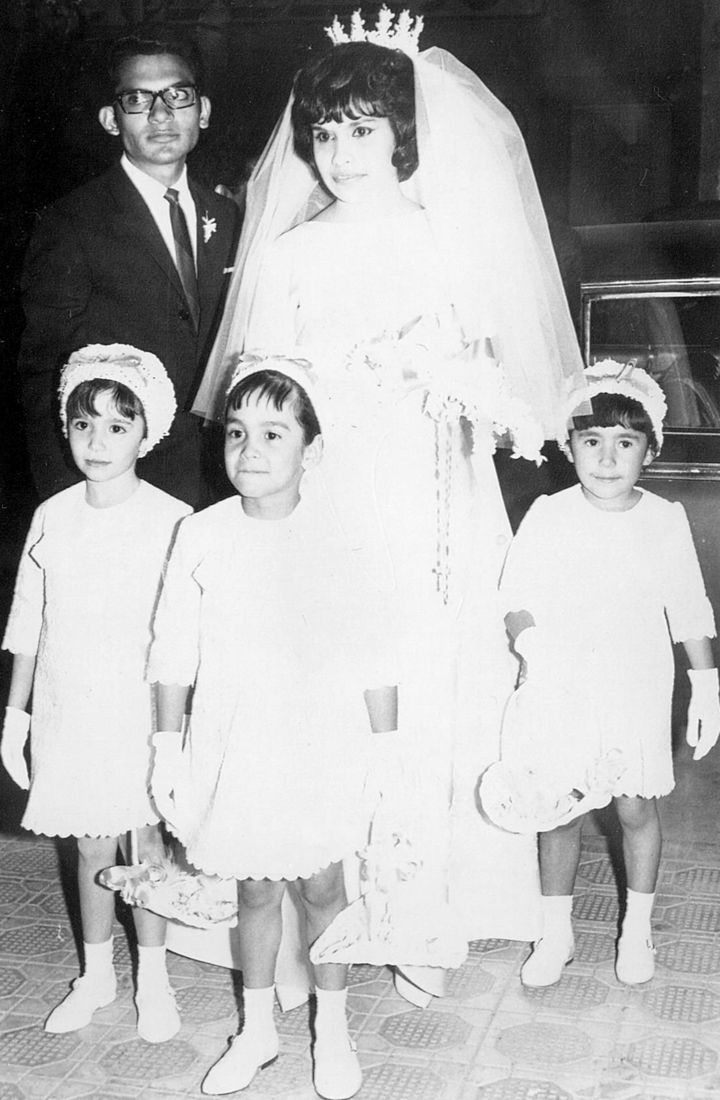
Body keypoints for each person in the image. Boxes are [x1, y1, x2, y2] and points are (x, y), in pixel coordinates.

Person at [189, 8, 589, 1003]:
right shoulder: (288, 252)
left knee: (427, 689)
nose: (339, 150)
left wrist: (448, 374)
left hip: (430, 499)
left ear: (406, 135)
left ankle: (419, 913)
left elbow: (500, 385)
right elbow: (263, 393)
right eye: (324, 130)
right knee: (322, 693)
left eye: (363, 127)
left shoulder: (441, 240)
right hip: (328, 501)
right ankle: (313, 910)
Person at [147, 357, 398, 1098]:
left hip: (319, 741)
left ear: (310, 451)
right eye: (236, 432)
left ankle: (332, 1027)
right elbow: (172, 652)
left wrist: (384, 750)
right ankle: (257, 1030)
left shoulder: (341, 535)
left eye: (273, 432)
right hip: (238, 742)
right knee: (255, 889)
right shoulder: (201, 534)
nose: (250, 450)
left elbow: (373, 653)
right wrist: (167, 748)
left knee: (323, 887)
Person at [499, 360, 720, 988]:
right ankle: (556, 931)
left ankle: (635, 928)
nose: (605, 457)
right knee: (559, 810)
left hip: (635, 683)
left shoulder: (665, 518)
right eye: (590, 441)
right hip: (559, 683)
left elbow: (689, 605)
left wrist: (706, 680)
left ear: (648, 451)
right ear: (569, 448)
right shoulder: (548, 513)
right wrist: (533, 647)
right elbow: (513, 596)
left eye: (625, 443)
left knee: (633, 805)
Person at [0, 345, 192, 1040]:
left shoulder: (171, 519)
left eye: (117, 426)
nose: (97, 442)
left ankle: (156, 980)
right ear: (66, 429)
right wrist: (15, 715)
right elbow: (28, 618)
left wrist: (174, 732)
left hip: (135, 710)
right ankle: (97, 974)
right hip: (66, 705)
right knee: (89, 846)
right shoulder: (53, 514)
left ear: (148, 432)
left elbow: (180, 633)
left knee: (145, 850)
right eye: (84, 425)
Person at [18, 31, 240, 508]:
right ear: (111, 119)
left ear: (202, 110)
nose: (161, 115)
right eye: (138, 99)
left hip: (221, 485)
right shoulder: (72, 222)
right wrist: (69, 507)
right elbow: (42, 377)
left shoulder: (228, 218)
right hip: (122, 492)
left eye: (177, 95)